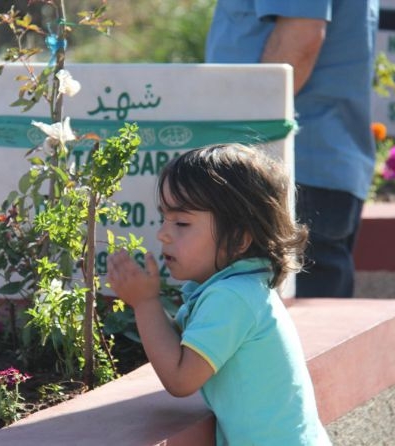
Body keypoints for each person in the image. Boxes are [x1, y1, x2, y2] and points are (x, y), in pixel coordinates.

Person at [107, 144, 330, 445]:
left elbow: (181, 378)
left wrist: (145, 302)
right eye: (164, 218)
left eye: (182, 223)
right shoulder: (240, 287)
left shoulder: (231, 297)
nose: (163, 233)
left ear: (239, 238)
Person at [205, 1, 379, 297]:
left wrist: (240, 147)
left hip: (283, 170)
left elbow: (301, 36)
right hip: (307, 165)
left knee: (301, 330)